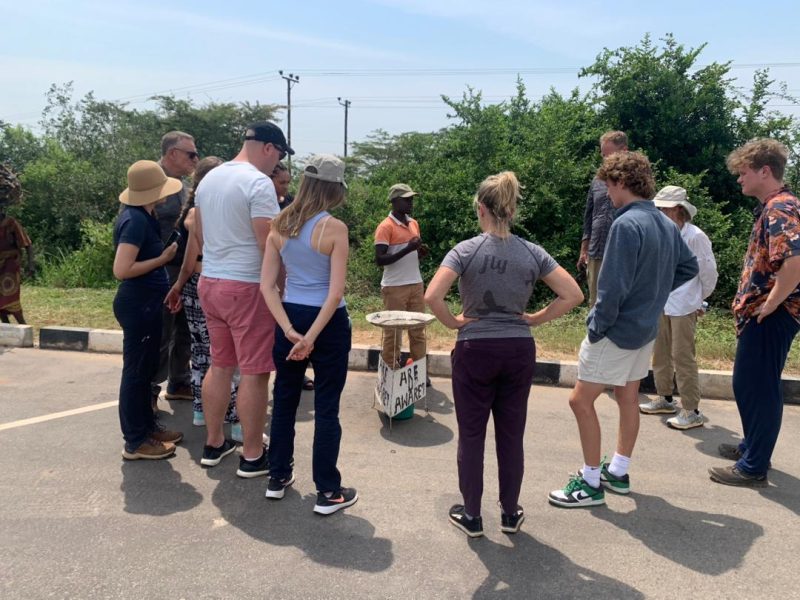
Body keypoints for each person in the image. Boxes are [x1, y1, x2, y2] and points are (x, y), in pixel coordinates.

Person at [425, 171, 584, 538]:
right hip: (517, 349)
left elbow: (433, 296)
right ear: (510, 211)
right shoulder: (532, 252)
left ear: (481, 208)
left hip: (475, 348)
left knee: (472, 436)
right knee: (511, 435)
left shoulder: (465, 250)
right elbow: (573, 294)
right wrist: (534, 318)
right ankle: (510, 513)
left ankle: (472, 515)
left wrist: (454, 323)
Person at [548, 151, 698, 508]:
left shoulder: (626, 224)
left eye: (608, 186)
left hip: (615, 331)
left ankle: (589, 484)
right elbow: (688, 267)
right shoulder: (664, 222)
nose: (608, 194)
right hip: (644, 330)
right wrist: (654, 293)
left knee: (580, 400)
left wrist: (597, 327)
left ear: (619, 182)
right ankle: (618, 470)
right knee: (628, 398)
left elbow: (611, 289)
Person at [261, 154, 357, 515]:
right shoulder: (334, 228)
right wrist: (312, 336)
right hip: (327, 323)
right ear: (334, 189)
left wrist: (290, 330)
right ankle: (328, 491)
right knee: (327, 406)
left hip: (290, 315)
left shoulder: (279, 224)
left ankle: (277, 476)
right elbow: (334, 293)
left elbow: (267, 287)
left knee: (284, 400)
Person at [194, 121, 291, 477]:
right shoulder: (257, 183)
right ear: (268, 147)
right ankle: (252, 455)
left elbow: (201, 234)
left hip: (211, 282)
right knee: (254, 372)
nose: (277, 163)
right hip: (247, 286)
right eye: (278, 154)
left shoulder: (209, 178)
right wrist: (281, 286)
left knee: (220, 364)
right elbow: (267, 244)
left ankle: (214, 442)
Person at [709, 138, 800, 487]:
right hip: (767, 315)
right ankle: (753, 448)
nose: (738, 179)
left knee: (757, 386)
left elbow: (794, 262)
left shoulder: (780, 208)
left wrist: (770, 304)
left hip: (771, 316)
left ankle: (753, 466)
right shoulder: (778, 205)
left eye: (743, 172)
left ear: (765, 171)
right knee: (752, 385)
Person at [164, 157, 241, 439]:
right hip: (218, 282)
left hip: (195, 283)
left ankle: (201, 411)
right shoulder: (216, 212)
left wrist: (179, 286)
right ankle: (231, 417)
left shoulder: (194, 212)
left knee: (201, 352)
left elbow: (187, 261)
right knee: (224, 358)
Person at [113, 160, 184, 460]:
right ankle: (135, 440)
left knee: (146, 372)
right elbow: (122, 269)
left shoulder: (146, 215)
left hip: (148, 301)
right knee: (136, 374)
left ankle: (147, 427)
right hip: (137, 304)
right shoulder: (135, 221)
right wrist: (163, 258)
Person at [640, 186, 718, 429]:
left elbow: (708, 273)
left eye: (662, 208)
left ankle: (691, 409)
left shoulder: (695, 236)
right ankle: (664, 398)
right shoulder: (663, 233)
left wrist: (700, 299)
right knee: (660, 352)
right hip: (663, 300)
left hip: (685, 303)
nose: (659, 213)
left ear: (676, 210)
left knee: (682, 356)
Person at [151, 131, 200, 404]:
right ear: (172, 153)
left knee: (185, 329)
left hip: (182, 268)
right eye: (191, 154)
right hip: (160, 270)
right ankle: (149, 394)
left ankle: (179, 381)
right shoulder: (151, 182)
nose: (196, 159)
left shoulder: (181, 186)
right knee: (161, 332)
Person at [374, 184, 430, 383]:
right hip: (394, 287)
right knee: (393, 333)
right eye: (406, 199)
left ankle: (419, 372)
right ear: (394, 201)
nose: (410, 202)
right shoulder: (385, 226)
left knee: (418, 331)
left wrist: (418, 253)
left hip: (415, 283)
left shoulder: (413, 223)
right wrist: (408, 249)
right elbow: (380, 259)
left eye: (411, 199)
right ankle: (390, 371)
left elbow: (412, 251)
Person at [271, 162, 314, 391]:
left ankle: (296, 371)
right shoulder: (268, 211)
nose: (286, 187)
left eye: (288, 182)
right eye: (281, 183)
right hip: (271, 274)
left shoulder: (289, 206)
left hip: (290, 275)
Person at [577, 131, 629, 307]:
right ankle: (594, 335)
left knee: (619, 300)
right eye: (603, 155)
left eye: (609, 154)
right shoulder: (597, 181)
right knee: (595, 302)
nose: (605, 159)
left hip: (622, 251)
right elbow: (588, 216)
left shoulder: (634, 180)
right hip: (596, 251)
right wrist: (584, 249)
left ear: (624, 151)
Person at [0, 164, 34, 324]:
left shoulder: (11, 223)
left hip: (9, 265)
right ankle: (7, 329)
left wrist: (31, 265)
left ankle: (23, 326)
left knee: (10, 297)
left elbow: (27, 244)